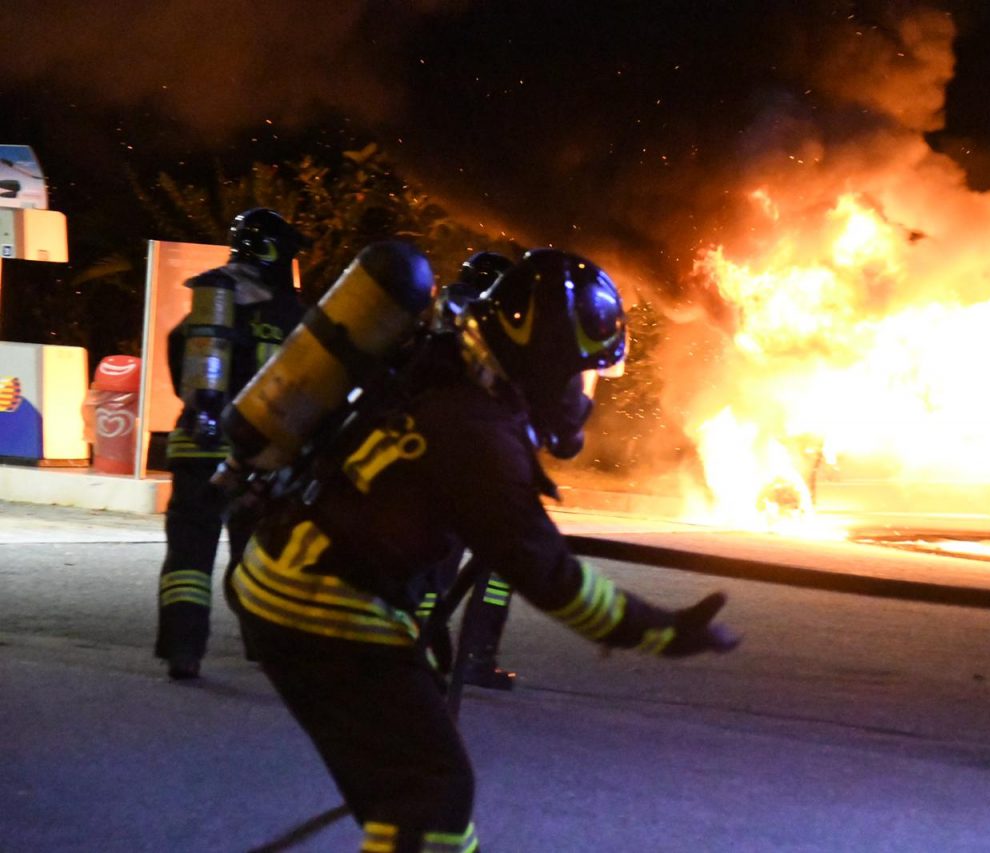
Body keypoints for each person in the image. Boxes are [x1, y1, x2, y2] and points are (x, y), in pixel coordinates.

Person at [224, 246, 739, 851]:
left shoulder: (451, 370)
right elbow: (552, 578)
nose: (584, 394)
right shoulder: (479, 438)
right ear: (547, 361)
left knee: (410, 793)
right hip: (318, 605)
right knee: (432, 794)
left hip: (294, 581)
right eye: (584, 372)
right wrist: (662, 631)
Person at [154, 208, 309, 680]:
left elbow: (182, 363)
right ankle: (261, 644)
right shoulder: (294, 312)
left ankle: (183, 650)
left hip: (196, 445)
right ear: (277, 254)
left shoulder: (212, 301)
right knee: (257, 554)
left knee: (188, 555)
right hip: (259, 454)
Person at [419, 250, 520, 691]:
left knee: (435, 566)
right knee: (493, 565)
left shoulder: (439, 316)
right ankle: (476, 657)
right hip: (478, 465)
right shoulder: (485, 324)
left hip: (439, 459)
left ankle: (416, 651)